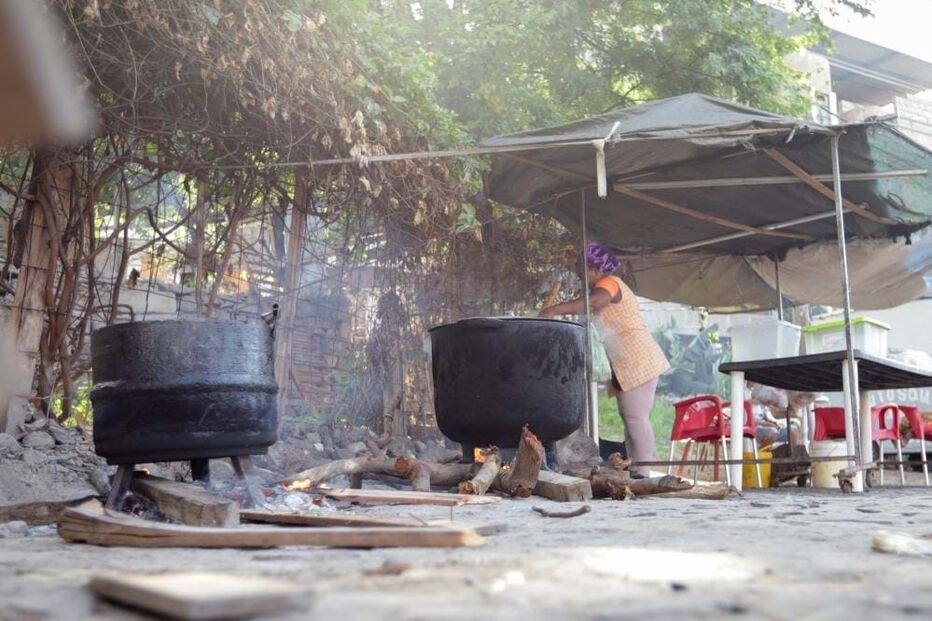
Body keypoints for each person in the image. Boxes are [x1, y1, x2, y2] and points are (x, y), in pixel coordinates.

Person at [539, 242, 670, 477]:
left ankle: (643, 472)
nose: (580, 275)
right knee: (629, 417)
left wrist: (554, 310)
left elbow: (595, 303)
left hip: (638, 358)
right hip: (624, 361)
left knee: (636, 418)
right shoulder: (602, 286)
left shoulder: (609, 283)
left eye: (582, 270)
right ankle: (635, 470)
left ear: (595, 268)